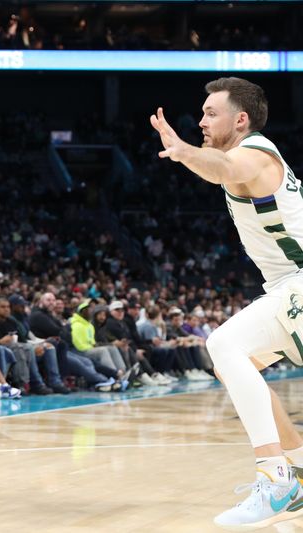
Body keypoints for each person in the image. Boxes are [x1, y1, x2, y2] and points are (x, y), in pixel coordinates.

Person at [151, 76, 303, 528]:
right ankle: (294, 466)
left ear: (240, 119)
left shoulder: (255, 153)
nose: (200, 120)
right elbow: (221, 167)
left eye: (210, 113)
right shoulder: (250, 154)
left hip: (299, 282)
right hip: (289, 286)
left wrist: (182, 152)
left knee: (223, 345)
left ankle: (276, 480)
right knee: (237, 363)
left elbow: (224, 168)